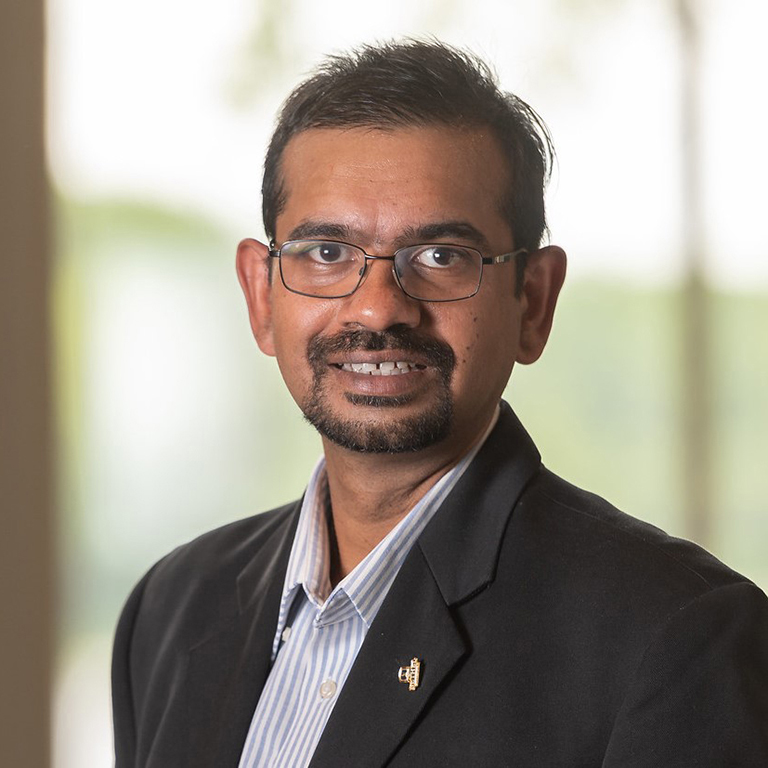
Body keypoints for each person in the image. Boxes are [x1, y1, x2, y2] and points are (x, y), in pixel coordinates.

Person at [112, 40, 768, 767]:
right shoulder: (171, 609)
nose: (377, 309)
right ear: (262, 295)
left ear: (533, 301)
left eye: (441, 256)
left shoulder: (676, 638)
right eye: (327, 252)